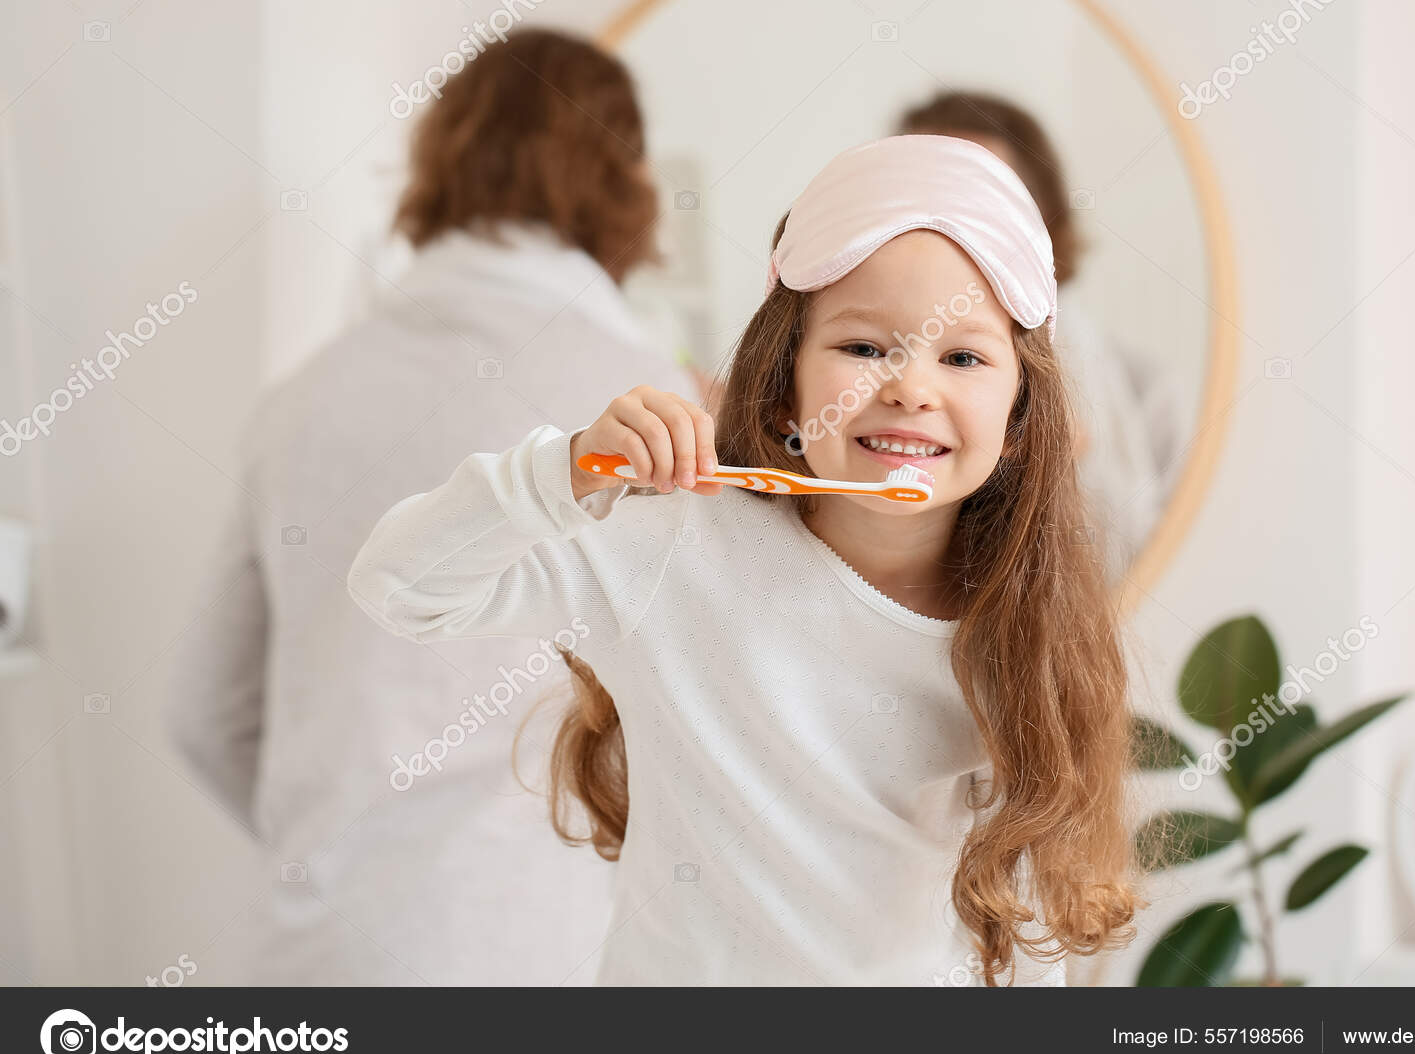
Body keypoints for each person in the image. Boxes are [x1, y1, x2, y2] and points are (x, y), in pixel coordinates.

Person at [347, 135, 1145, 986]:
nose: (912, 387)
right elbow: (399, 586)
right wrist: (567, 465)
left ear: (1021, 414)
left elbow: (1019, 947)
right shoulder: (675, 549)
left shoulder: (1022, 629)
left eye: (963, 357)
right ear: (783, 376)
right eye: (865, 347)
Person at [165, 29, 699, 985]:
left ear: (438, 166)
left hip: (321, 946)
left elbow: (206, 711)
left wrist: (339, 836)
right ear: (624, 183)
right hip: (550, 942)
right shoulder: (657, 409)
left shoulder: (303, 399)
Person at [898, 92, 1184, 579]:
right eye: (916, 195)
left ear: (1043, 219)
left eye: (974, 200)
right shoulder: (842, 376)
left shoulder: (1144, 389)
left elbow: (1160, 565)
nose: (942, 227)